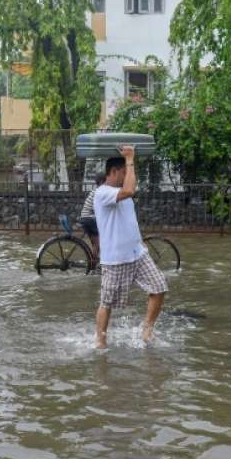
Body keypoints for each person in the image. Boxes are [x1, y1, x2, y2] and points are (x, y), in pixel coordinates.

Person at [94, 146, 167, 348]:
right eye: (125, 172)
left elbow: (129, 220)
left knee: (159, 286)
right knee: (107, 303)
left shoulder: (122, 194)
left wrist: (141, 242)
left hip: (137, 254)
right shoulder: (102, 193)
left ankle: (147, 329)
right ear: (115, 171)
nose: (128, 176)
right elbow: (129, 189)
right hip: (115, 259)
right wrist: (130, 159)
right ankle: (100, 340)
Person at [79, 173, 107, 262]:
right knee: (98, 243)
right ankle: (93, 262)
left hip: (85, 218)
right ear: (102, 182)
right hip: (90, 219)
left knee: (96, 244)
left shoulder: (95, 191)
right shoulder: (100, 192)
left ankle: (93, 261)